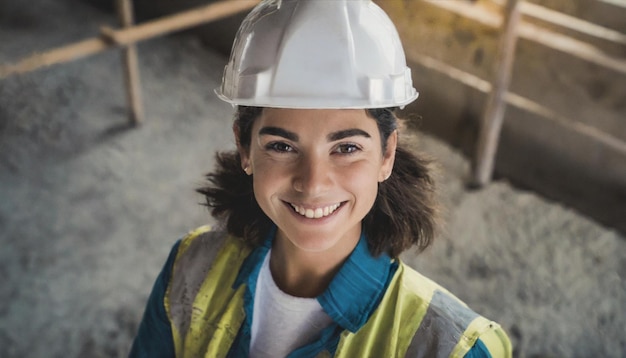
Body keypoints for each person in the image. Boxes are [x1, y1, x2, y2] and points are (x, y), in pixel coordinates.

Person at [130, 0, 512, 357]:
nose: (313, 184)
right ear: (245, 149)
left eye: (346, 148)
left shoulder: (454, 347)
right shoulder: (189, 269)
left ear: (387, 154)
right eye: (281, 146)